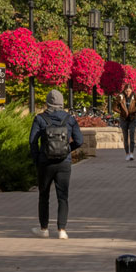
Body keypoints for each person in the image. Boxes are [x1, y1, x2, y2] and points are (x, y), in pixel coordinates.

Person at [28, 88, 83, 239]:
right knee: (63, 196)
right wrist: (67, 150)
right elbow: (80, 140)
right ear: (62, 102)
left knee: (44, 195)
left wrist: (37, 159)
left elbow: (32, 142)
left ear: (47, 103)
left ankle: (44, 228)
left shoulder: (40, 119)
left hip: (45, 163)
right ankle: (62, 230)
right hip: (64, 163)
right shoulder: (69, 119)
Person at [115, 80, 136, 162]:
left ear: (131, 90)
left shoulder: (135, 97)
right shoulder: (120, 96)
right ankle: (127, 154)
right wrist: (121, 112)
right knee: (125, 137)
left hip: (132, 119)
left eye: (129, 91)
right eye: (126, 91)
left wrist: (133, 111)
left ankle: (132, 153)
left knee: (132, 135)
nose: (128, 93)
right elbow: (114, 107)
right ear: (124, 90)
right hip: (124, 119)